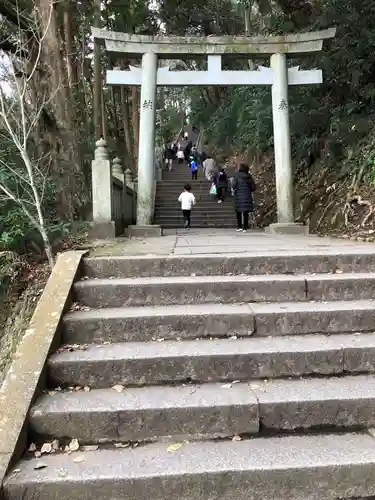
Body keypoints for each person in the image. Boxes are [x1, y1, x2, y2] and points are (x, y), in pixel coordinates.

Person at [232, 163, 256, 232]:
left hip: (238, 196)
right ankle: (245, 228)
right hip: (247, 196)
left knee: (238, 211)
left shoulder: (236, 176)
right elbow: (254, 187)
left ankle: (239, 226)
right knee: (245, 212)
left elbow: (233, 186)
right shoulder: (249, 176)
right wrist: (249, 190)